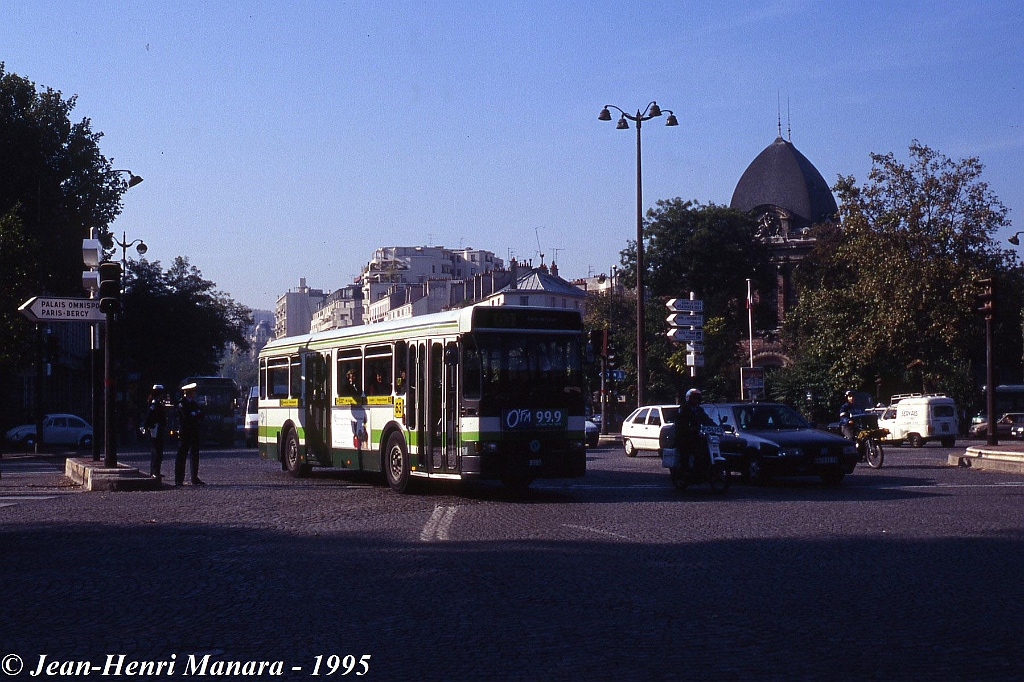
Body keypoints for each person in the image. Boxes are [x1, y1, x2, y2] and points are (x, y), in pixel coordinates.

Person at [674, 388, 716, 473]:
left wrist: (716, 427)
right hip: (684, 437)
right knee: (685, 455)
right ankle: (685, 473)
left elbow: (706, 419)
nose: (696, 400)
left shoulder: (699, 409)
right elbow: (680, 422)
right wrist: (688, 428)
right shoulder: (683, 408)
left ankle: (703, 470)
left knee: (703, 450)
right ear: (689, 399)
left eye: (697, 398)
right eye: (694, 398)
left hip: (696, 436)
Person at [175, 382, 205, 486]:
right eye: (193, 392)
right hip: (185, 432)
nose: (194, 394)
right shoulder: (182, 403)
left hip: (194, 431)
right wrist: (195, 414)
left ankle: (194, 477)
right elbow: (186, 417)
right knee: (181, 456)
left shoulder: (193, 403)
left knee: (195, 455)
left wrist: (194, 414)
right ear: (188, 392)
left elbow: (201, 415)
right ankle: (179, 479)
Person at [143, 384, 168, 480]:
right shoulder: (154, 404)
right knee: (157, 451)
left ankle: (156, 471)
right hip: (155, 428)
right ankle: (154, 471)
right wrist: (147, 426)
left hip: (157, 428)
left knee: (157, 450)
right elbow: (149, 416)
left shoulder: (157, 403)